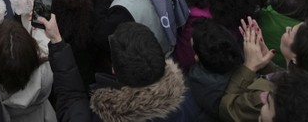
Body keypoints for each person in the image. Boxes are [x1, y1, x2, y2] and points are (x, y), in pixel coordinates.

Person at [49, 18, 198, 121]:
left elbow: (72, 103)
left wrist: (57, 42)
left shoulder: (103, 116)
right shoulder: (187, 99)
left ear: (114, 69)